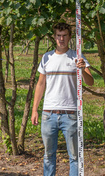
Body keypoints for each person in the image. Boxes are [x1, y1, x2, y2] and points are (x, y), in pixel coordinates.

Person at [31, 21, 94, 176]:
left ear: (70, 37)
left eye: (64, 35)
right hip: (48, 114)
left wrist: (82, 69)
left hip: (70, 114)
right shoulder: (47, 58)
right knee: (48, 156)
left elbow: (90, 81)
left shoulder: (77, 57)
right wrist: (35, 110)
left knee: (74, 157)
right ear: (54, 37)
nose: (61, 39)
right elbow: (40, 85)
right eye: (58, 35)